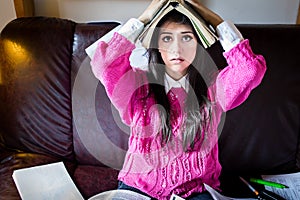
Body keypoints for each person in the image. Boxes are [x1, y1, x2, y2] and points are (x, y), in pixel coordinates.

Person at [87, 0, 267, 199]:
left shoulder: (214, 89)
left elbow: (249, 70)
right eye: (166, 39)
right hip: (137, 188)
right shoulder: (137, 85)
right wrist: (144, 19)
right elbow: (104, 64)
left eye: (186, 39)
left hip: (196, 192)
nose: (177, 49)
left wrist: (214, 21)